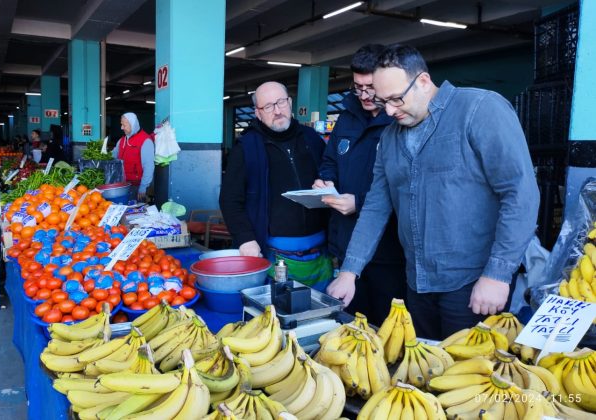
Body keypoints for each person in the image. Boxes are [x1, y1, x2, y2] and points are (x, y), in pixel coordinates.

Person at [326, 45, 539, 339]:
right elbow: (376, 208)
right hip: (416, 283)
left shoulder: (479, 109)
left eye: (395, 99)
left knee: (467, 375)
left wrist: (498, 274)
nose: (388, 110)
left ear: (423, 81)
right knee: (425, 372)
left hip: (473, 283)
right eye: (382, 100)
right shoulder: (390, 138)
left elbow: (520, 194)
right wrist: (350, 272)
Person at [313, 45, 406, 326]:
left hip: (388, 252)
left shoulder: (401, 119)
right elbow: (330, 159)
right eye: (357, 87)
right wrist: (327, 181)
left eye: (370, 87)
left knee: (385, 327)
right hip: (346, 242)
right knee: (349, 323)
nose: (364, 96)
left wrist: (359, 203)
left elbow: (406, 187)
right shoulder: (346, 117)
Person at [219, 81, 333, 291]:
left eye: (281, 102)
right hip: (273, 252)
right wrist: (245, 239)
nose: (277, 111)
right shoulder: (246, 147)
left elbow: (329, 174)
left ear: (290, 103)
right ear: (257, 113)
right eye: (268, 107)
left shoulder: (312, 139)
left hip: (320, 252)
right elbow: (230, 199)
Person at [112, 113, 154, 202]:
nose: (121, 128)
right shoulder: (122, 140)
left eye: (124, 125)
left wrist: (143, 187)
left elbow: (149, 166)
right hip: (122, 185)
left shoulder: (145, 141)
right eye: (121, 124)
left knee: (135, 213)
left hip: (137, 186)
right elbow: (113, 157)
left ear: (133, 124)